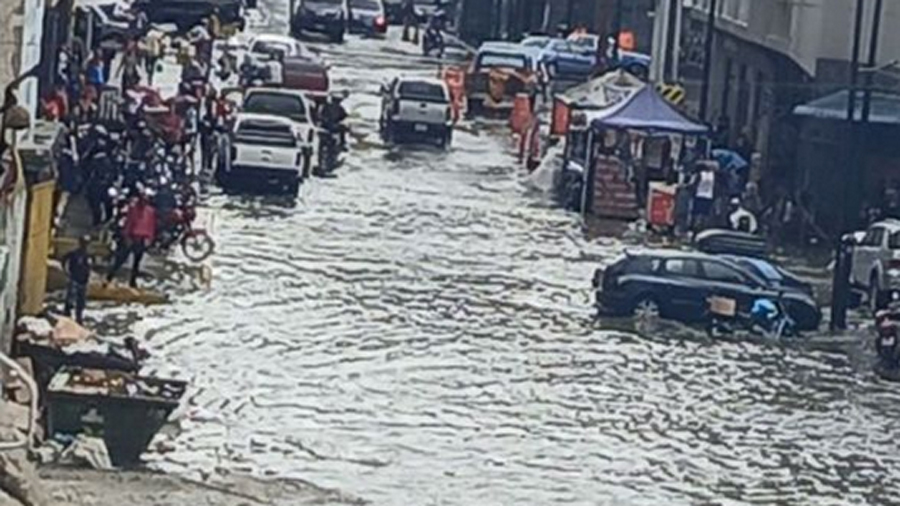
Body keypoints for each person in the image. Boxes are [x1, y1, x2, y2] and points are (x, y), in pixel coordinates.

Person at [107, 191, 157, 288]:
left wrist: (149, 239)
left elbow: (151, 226)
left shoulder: (150, 211)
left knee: (136, 262)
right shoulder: (133, 209)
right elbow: (129, 223)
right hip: (132, 237)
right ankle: (109, 277)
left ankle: (132, 282)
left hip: (142, 239)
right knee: (121, 259)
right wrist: (127, 236)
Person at [63, 235, 92, 324]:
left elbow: (89, 267)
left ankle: (79, 317)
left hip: (83, 280)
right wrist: (66, 271)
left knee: (81, 300)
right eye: (83, 243)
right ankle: (67, 315)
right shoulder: (74, 254)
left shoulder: (88, 255)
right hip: (74, 278)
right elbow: (64, 259)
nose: (85, 245)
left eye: (87, 243)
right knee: (71, 297)